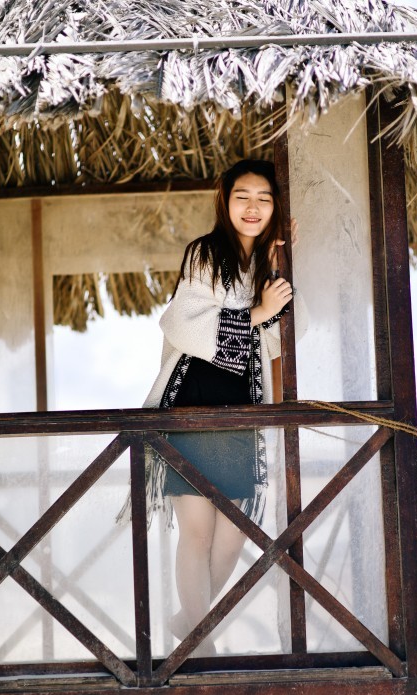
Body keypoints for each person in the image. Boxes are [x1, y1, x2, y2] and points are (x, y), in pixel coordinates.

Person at [143, 159, 307, 655]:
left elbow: (282, 337)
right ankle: (202, 644)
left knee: (234, 535)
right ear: (225, 201)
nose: (252, 208)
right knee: (196, 532)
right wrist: (257, 312)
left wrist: (279, 269)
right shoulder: (205, 252)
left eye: (264, 199)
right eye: (243, 197)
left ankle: (189, 620)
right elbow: (183, 323)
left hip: (241, 413)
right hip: (191, 405)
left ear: (275, 207)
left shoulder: (270, 265)